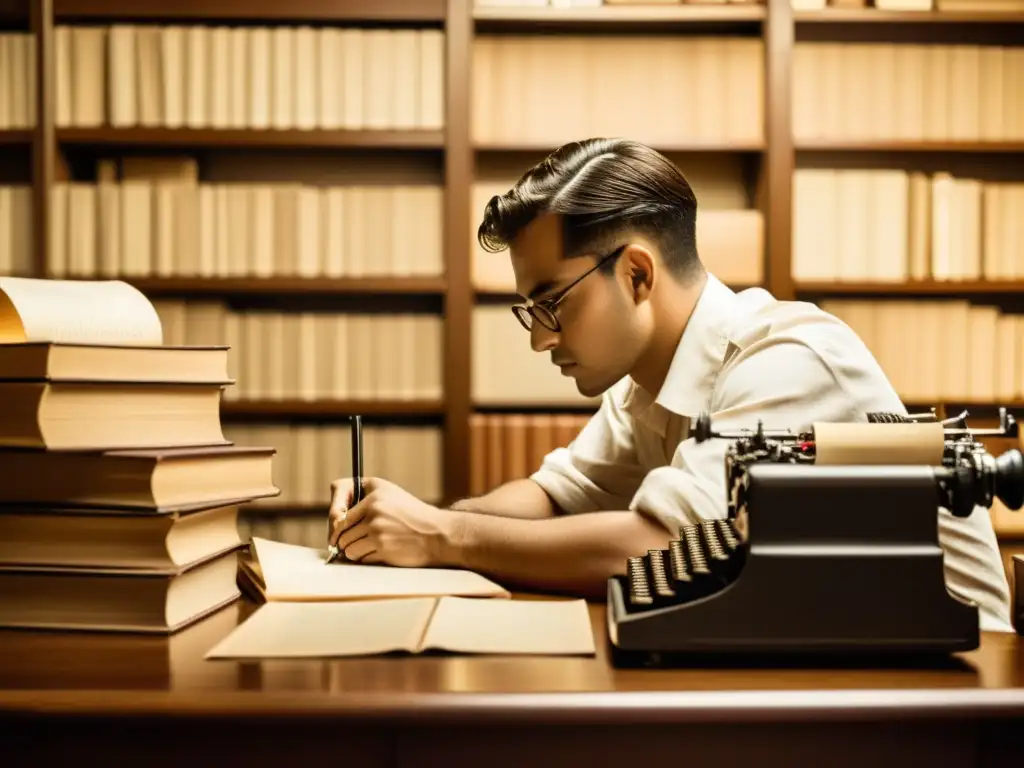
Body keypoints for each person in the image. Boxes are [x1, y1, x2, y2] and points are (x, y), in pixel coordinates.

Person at [327, 137, 1013, 632]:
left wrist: (443, 536)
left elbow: (660, 543)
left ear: (637, 274)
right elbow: (552, 498)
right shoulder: (647, 383)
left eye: (550, 304)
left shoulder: (787, 358)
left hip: (958, 691)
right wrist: (403, 521)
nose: (539, 338)